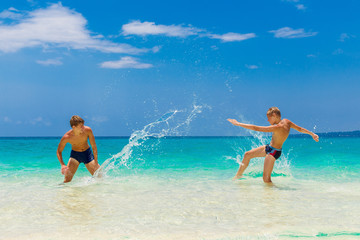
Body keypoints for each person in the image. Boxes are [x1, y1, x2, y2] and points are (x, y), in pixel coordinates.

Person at [227, 107, 319, 183]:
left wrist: (238, 124)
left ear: (274, 115)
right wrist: (312, 134)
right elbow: (300, 128)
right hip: (269, 148)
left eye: (268, 117)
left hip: (273, 152)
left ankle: (272, 196)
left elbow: (256, 128)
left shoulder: (277, 127)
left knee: (266, 179)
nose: (267, 120)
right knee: (247, 155)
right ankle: (238, 176)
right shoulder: (287, 121)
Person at [57, 115, 100, 183]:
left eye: (83, 125)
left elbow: (93, 146)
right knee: (67, 181)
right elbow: (59, 151)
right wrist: (62, 164)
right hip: (75, 156)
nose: (83, 128)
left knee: (99, 177)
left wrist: (96, 161)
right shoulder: (67, 137)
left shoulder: (88, 130)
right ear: (74, 127)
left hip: (87, 154)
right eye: (81, 126)